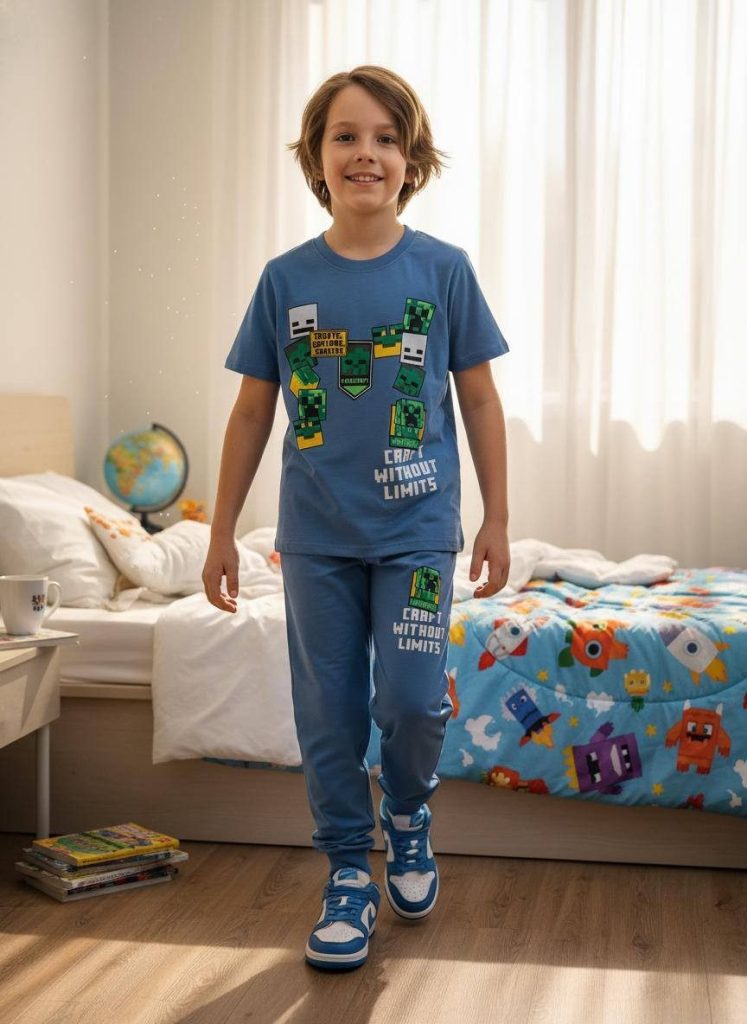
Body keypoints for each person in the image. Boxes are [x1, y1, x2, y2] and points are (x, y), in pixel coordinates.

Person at [202, 65, 510, 972]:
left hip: (417, 530)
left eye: (385, 138)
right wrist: (218, 533)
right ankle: (345, 871)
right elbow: (252, 412)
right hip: (317, 538)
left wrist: (495, 517)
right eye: (345, 136)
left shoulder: (443, 270)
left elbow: (479, 400)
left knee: (410, 701)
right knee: (328, 713)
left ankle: (406, 815)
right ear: (315, 157)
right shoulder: (285, 279)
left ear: (411, 161)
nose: (364, 153)